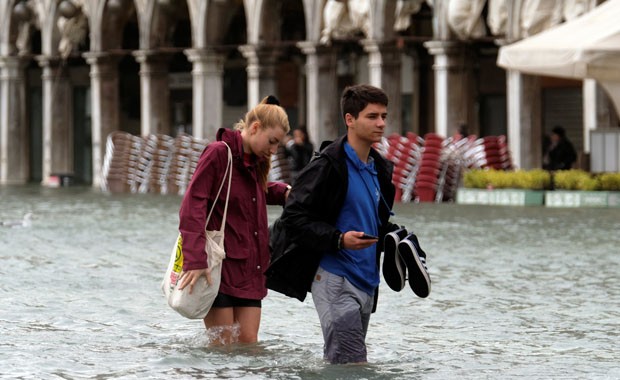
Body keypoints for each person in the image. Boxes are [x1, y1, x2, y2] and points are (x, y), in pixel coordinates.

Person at [267, 84, 430, 364]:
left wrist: (397, 239)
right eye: (372, 116)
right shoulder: (327, 166)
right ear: (350, 119)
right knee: (352, 364)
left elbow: (372, 220)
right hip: (334, 278)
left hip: (367, 281)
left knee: (343, 362)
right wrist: (338, 239)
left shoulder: (379, 168)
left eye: (383, 116)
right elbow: (293, 218)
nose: (380, 123)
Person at [178, 95, 291, 344]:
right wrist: (196, 259)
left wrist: (283, 192)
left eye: (278, 145)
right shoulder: (219, 153)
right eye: (272, 142)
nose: (273, 150)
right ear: (255, 127)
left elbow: (250, 191)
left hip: (251, 267)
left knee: (250, 344)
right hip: (218, 267)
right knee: (223, 346)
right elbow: (192, 206)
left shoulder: (256, 162)